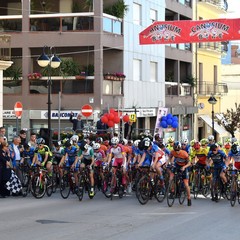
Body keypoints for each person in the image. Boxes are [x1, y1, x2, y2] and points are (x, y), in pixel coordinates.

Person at [168, 141, 192, 206]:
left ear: (180, 149)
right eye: (176, 151)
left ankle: (189, 198)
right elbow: (170, 157)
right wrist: (170, 163)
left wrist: (184, 167)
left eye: (178, 151)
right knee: (171, 177)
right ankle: (173, 190)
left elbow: (189, 163)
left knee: (186, 184)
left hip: (184, 166)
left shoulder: (184, 154)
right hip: (177, 165)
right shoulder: (172, 152)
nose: (177, 152)